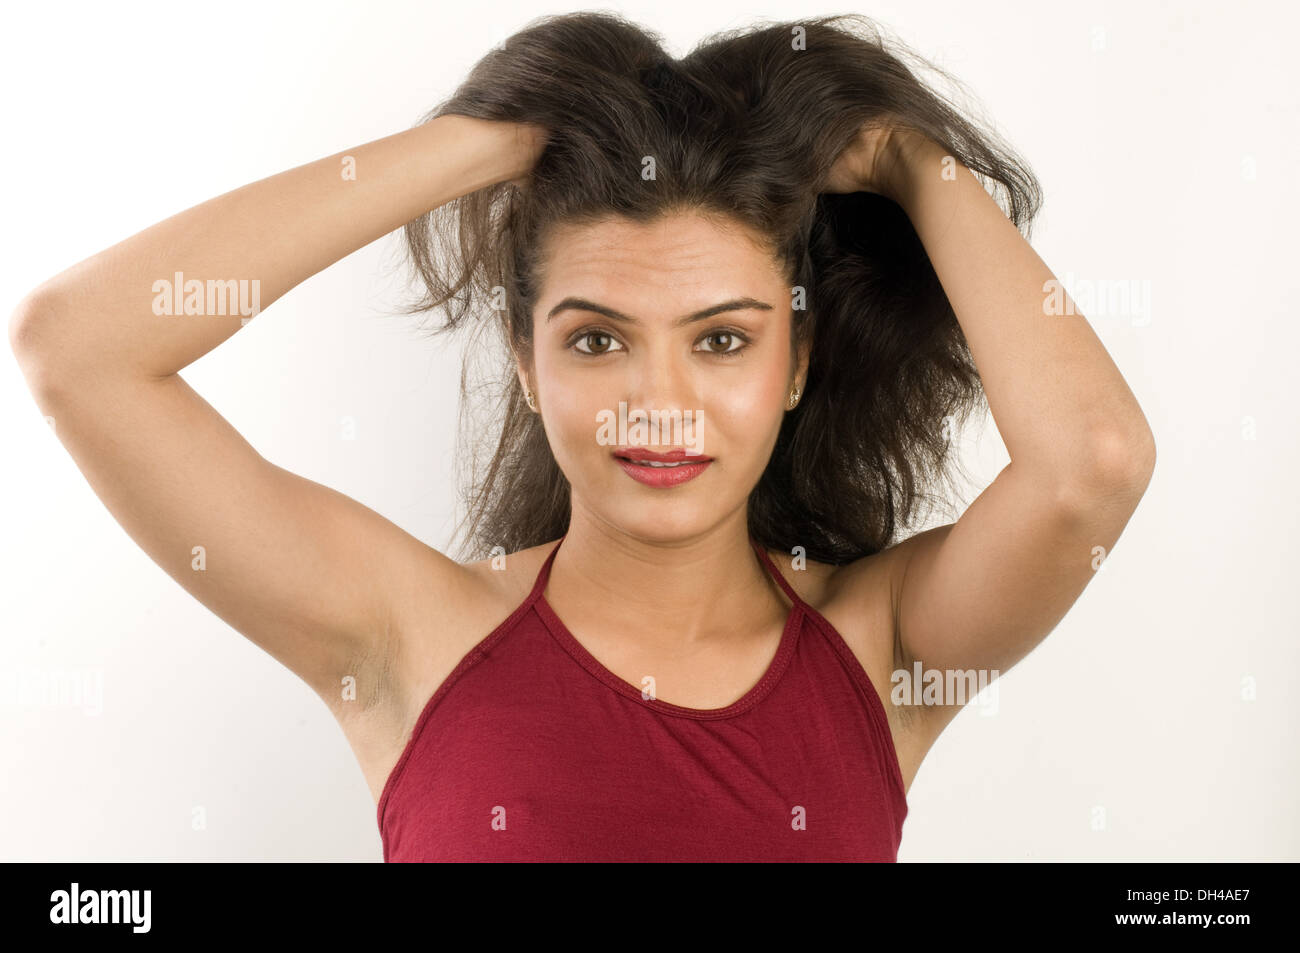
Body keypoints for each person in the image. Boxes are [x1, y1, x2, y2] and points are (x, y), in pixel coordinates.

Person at [8, 12, 1155, 862]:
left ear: (797, 361)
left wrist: (912, 161)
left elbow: (1091, 462)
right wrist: (482, 145)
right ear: (525, 359)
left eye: (720, 341)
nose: (660, 401)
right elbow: (78, 348)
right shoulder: (411, 636)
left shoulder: (882, 649)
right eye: (598, 340)